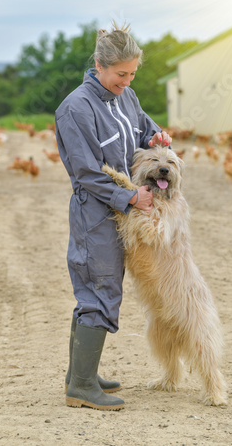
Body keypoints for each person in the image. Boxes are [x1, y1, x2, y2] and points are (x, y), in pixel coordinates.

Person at [55, 21, 172, 411]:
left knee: (101, 287)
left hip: (120, 209)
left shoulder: (126, 96)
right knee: (99, 289)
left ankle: (80, 374)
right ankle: (82, 387)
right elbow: (87, 173)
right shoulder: (75, 109)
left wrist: (156, 135)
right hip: (96, 212)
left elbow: (141, 128)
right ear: (100, 67)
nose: (127, 81)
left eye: (132, 74)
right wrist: (130, 198)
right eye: (121, 74)